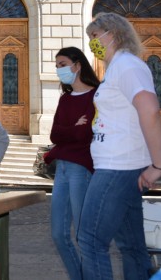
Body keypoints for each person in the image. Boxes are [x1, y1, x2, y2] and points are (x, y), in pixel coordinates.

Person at [78, 12, 161, 280]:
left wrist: (157, 164)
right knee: (131, 247)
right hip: (121, 165)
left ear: (112, 34)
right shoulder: (117, 67)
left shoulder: (127, 65)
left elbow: (149, 110)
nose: (92, 42)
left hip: (117, 166)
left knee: (90, 241)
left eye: (95, 36)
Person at [45, 46, 100, 280]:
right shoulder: (65, 99)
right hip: (62, 168)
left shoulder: (97, 95)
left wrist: (72, 131)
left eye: (63, 64)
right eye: (57, 66)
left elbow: (86, 134)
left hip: (81, 167)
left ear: (77, 66)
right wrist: (73, 128)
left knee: (82, 234)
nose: (59, 70)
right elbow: (54, 135)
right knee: (58, 234)